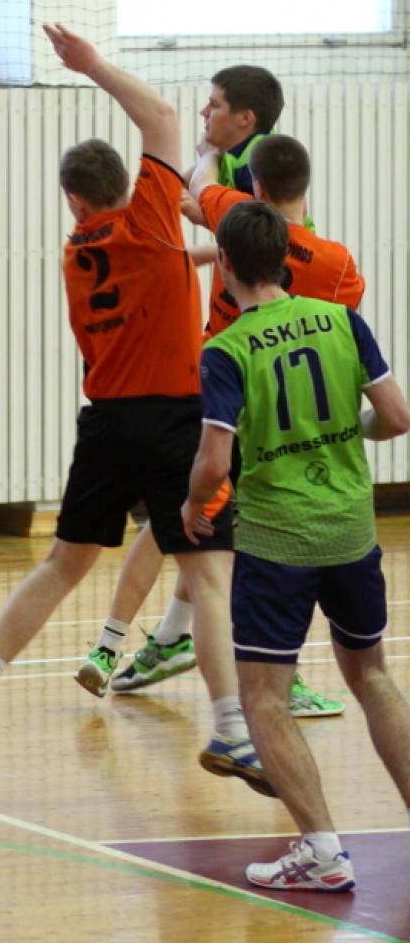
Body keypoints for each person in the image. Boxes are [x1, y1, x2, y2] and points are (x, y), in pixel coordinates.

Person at [0, 24, 272, 797]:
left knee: (62, 565)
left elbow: (174, 255)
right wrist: (91, 66)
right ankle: (230, 729)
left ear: (75, 200)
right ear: (132, 184)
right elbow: (161, 119)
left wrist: (217, 236)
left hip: (106, 423)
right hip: (175, 419)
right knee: (210, 577)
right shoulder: (153, 218)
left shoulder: (78, 251)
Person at [79, 79, 346, 717]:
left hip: (233, 371)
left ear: (246, 119)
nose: (205, 111)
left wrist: (201, 172)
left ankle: (143, 642)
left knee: (198, 522)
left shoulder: (236, 188)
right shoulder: (314, 245)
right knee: (235, 529)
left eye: (216, 103)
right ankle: (252, 668)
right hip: (243, 380)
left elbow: (195, 198)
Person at [182, 199, 410, 890]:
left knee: (263, 699)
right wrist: (347, 430)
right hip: (351, 530)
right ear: (284, 258)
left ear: (224, 265)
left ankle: (323, 853)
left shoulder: (226, 350)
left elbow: (215, 461)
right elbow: (396, 417)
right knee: (372, 676)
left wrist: (192, 502)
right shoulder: (342, 321)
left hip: (278, 542)